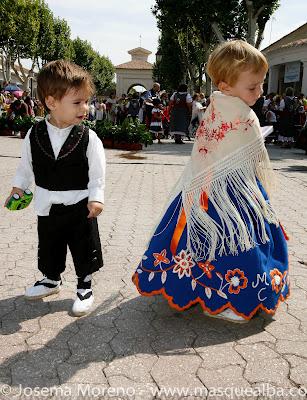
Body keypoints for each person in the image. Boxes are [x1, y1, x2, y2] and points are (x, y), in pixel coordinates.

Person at [132, 40, 289, 323]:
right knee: (237, 245)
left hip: (206, 188)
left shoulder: (216, 104)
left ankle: (196, 287)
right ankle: (235, 298)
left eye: (261, 85)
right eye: (252, 87)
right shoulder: (240, 112)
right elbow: (247, 150)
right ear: (226, 85)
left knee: (204, 243)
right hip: (232, 194)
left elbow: (210, 149)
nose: (260, 92)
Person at [5, 60, 106, 317]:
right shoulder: (34, 134)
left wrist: (96, 198)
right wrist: (19, 187)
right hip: (46, 204)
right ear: (51, 102)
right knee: (49, 245)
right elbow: (26, 166)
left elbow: (97, 173)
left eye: (86, 101)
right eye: (77, 102)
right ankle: (51, 279)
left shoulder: (88, 138)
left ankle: (84, 285)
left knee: (83, 247)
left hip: (80, 205)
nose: (85, 108)